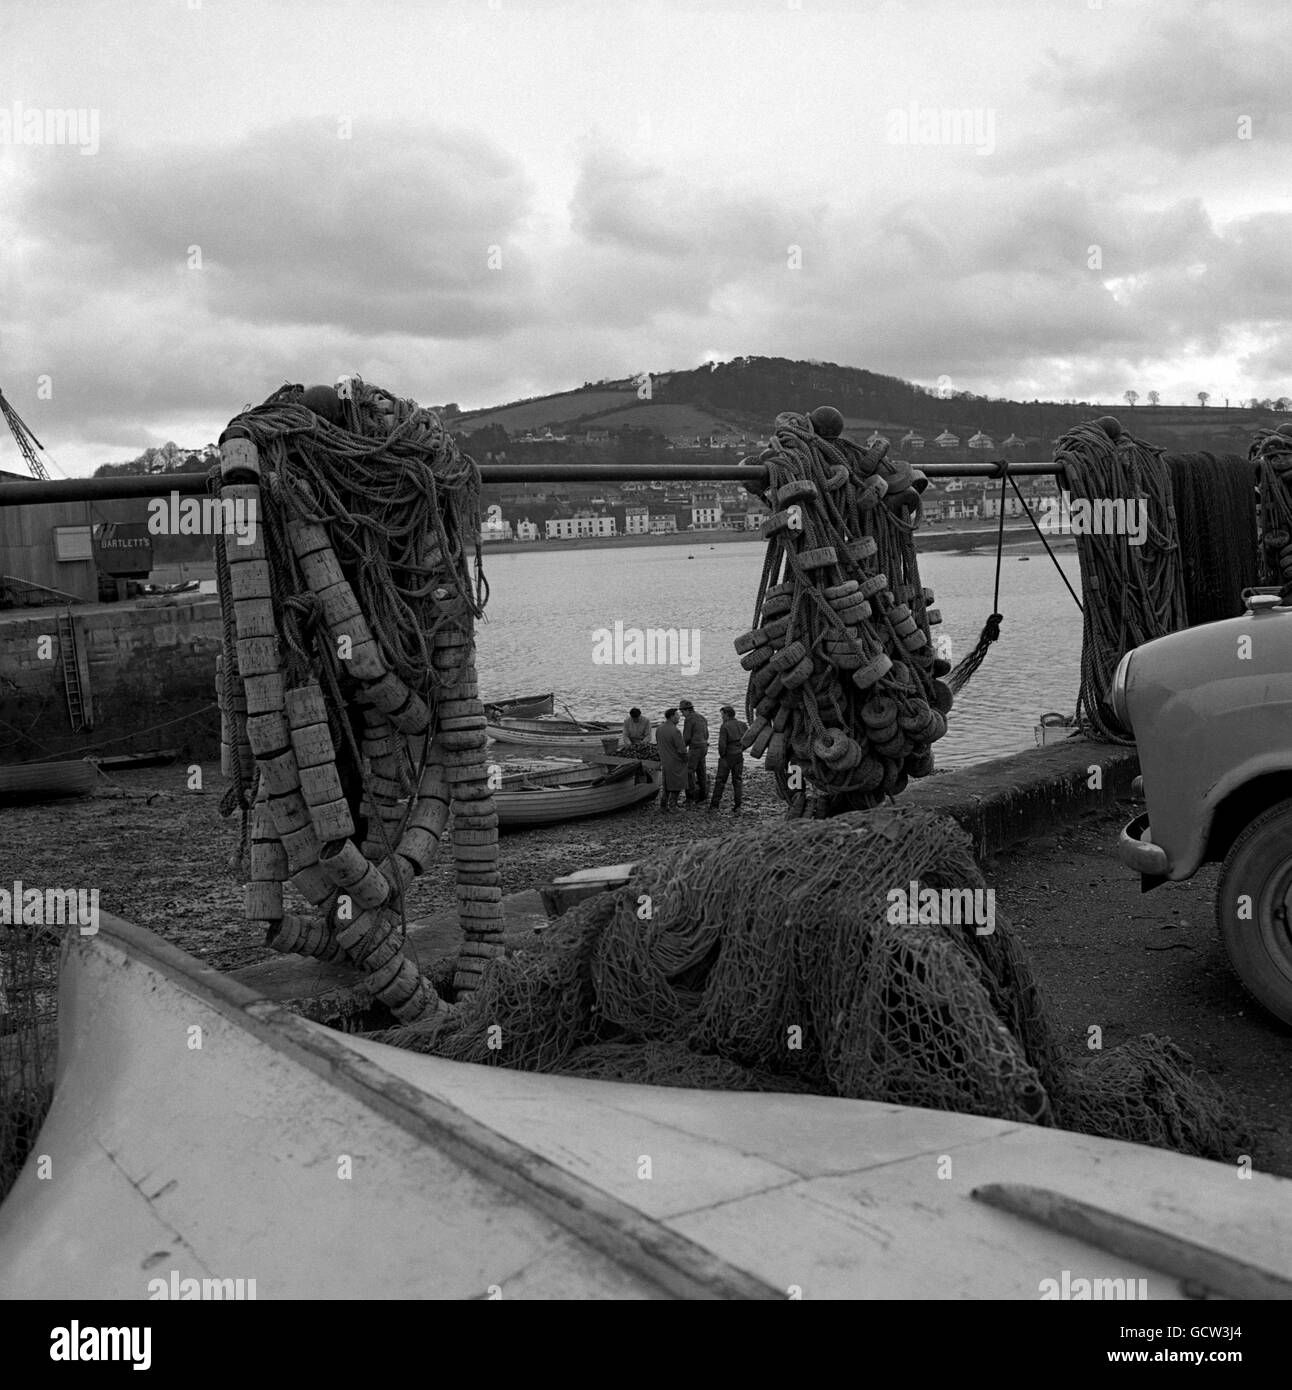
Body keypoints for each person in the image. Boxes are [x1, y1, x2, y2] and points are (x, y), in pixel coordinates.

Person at [709, 704, 747, 813]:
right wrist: (741, 749)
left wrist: (722, 755)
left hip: (727, 756)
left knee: (720, 781)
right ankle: (738, 805)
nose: (721, 717)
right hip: (739, 755)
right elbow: (748, 740)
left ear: (726, 714)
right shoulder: (743, 725)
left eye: (722, 715)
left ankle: (714, 805)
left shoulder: (725, 726)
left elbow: (722, 744)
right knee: (737, 780)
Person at [655, 708, 688, 812]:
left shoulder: (659, 728)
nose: (679, 717)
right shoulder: (675, 731)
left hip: (665, 760)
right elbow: (682, 750)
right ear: (672, 716)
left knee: (666, 785)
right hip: (676, 761)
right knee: (676, 784)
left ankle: (663, 805)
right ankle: (673, 806)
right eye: (677, 715)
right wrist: (686, 759)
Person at [679, 698, 709, 804]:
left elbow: (686, 737)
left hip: (695, 747)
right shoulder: (702, 717)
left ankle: (690, 797)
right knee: (701, 771)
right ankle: (703, 796)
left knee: (689, 771)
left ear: (687, 710)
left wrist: (681, 749)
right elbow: (707, 734)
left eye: (682, 712)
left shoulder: (689, 719)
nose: (682, 714)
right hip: (704, 746)